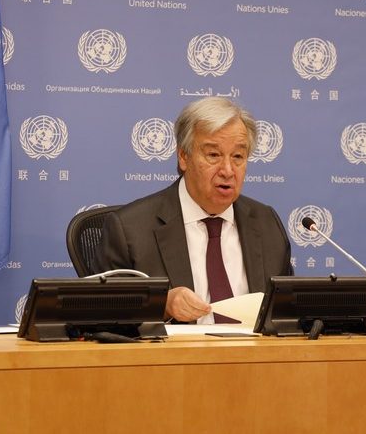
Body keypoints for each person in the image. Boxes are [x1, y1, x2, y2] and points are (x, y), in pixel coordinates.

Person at [98, 97, 292, 323]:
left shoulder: (267, 223)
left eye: (238, 156)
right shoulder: (130, 230)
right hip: (176, 347)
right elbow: (105, 314)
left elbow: (287, 315)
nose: (228, 170)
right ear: (183, 156)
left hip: (254, 346)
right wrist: (162, 305)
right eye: (213, 155)